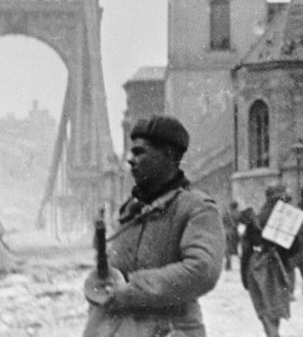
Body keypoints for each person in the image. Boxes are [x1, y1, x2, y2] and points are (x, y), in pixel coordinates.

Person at [82, 115, 225, 337]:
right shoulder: (131, 210)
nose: (130, 160)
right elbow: (117, 271)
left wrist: (130, 291)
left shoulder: (197, 207)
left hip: (172, 330)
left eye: (140, 152)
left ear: (169, 155)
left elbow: (201, 271)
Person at [241, 183, 298, 337]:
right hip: (276, 265)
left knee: (264, 305)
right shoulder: (288, 217)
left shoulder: (258, 217)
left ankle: (272, 334)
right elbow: (295, 248)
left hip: (258, 264)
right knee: (275, 306)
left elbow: (246, 247)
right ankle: (273, 334)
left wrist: (244, 273)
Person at [222, 201, 240, 272]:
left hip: (226, 232)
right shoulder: (238, 214)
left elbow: (221, 221)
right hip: (234, 233)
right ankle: (230, 262)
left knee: (227, 248)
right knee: (232, 248)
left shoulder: (226, 213)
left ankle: (228, 263)